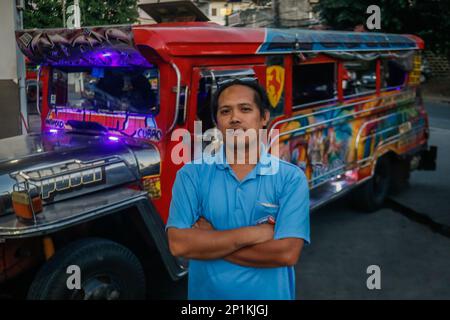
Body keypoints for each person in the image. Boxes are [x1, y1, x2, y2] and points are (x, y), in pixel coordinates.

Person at [166, 78, 310, 300]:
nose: (235, 118)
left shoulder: (290, 178)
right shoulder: (191, 175)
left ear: (264, 117)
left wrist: (210, 240)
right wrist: (254, 233)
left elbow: (286, 253)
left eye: (245, 109)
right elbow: (179, 245)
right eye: (225, 111)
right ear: (216, 122)